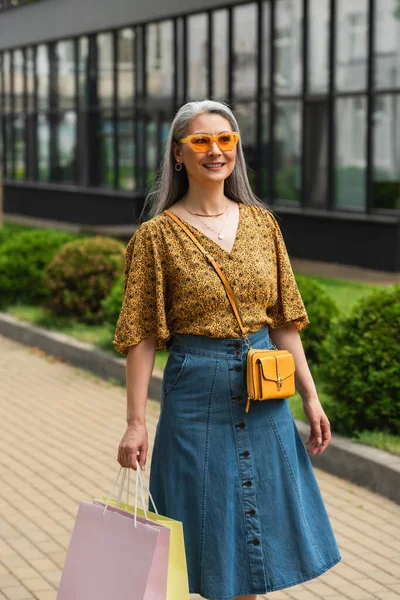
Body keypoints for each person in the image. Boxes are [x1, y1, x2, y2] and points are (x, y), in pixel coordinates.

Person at [113, 99, 341, 600]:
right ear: (179, 153)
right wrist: (135, 421)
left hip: (266, 393)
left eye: (225, 139)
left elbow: (285, 320)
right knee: (209, 541)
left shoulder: (263, 225)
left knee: (254, 557)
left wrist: (311, 397)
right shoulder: (155, 237)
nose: (215, 150)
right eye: (201, 140)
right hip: (196, 395)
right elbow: (141, 334)